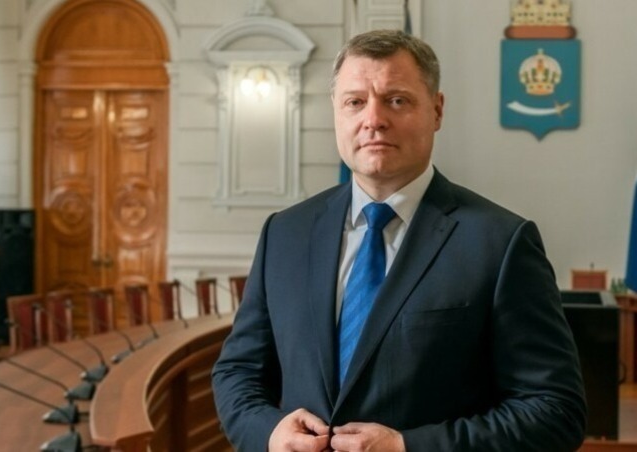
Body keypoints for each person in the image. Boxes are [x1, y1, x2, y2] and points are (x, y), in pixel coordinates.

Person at [212, 29, 586, 452]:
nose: (373, 119)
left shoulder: (500, 243)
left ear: (437, 110)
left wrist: (409, 447)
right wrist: (270, 432)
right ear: (336, 112)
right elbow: (238, 372)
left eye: (396, 100)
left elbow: (555, 410)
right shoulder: (285, 233)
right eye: (355, 102)